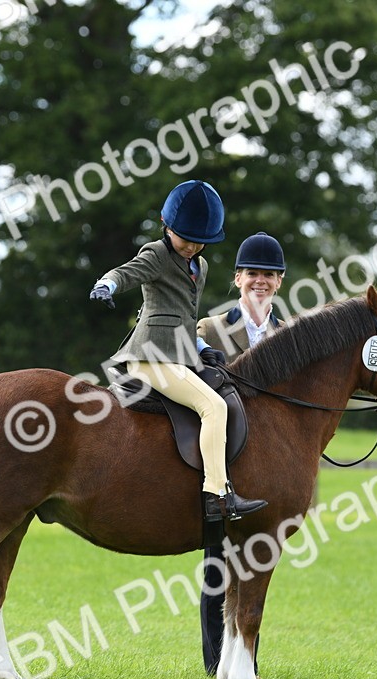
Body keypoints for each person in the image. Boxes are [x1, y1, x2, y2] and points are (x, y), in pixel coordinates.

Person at [89, 180, 268, 523]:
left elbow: (187, 317)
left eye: (200, 240)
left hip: (183, 355)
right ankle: (217, 495)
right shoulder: (157, 254)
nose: (192, 246)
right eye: (185, 237)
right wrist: (106, 284)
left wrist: (202, 346)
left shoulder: (200, 267)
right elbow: (128, 272)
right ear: (166, 225)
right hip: (149, 355)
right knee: (214, 407)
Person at [195, 231, 286, 676]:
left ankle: (244, 659)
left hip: (266, 464)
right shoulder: (210, 329)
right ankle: (216, 662)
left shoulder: (288, 336)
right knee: (217, 562)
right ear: (238, 279)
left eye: (268, 275)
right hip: (222, 461)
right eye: (253, 273)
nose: (260, 281)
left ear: (280, 282)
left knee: (255, 561)